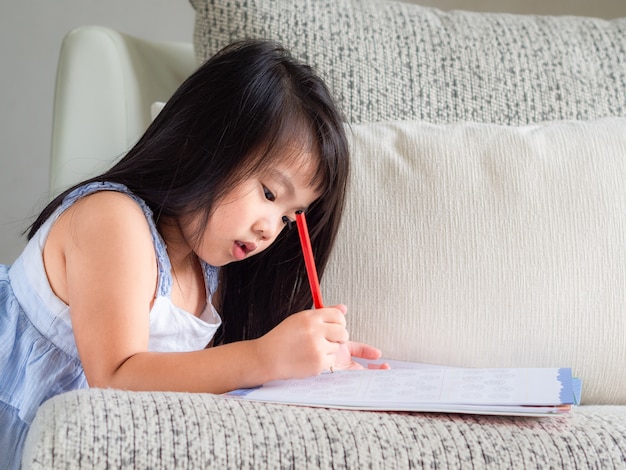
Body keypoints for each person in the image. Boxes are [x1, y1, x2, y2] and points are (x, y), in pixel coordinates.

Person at [0, 39, 388, 468]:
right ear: (205, 144)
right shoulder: (114, 220)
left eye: (289, 216)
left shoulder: (212, 275)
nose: (268, 228)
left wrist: (307, 361)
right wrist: (265, 357)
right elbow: (114, 379)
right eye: (268, 193)